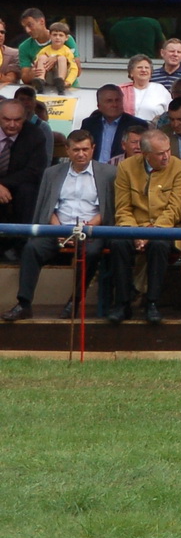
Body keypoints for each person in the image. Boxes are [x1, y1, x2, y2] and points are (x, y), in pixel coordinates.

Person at [3, 130, 116, 321]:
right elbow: (48, 206)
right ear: (67, 150)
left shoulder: (108, 173)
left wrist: (87, 228)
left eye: (85, 149)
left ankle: (74, 302)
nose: (81, 154)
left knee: (92, 252)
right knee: (32, 248)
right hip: (58, 228)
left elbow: (108, 209)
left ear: (93, 149)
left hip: (91, 230)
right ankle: (23, 303)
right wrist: (59, 230)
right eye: (76, 150)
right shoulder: (53, 173)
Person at [110, 128, 181, 324]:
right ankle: (122, 303)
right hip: (133, 226)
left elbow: (175, 209)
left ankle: (152, 302)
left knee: (159, 245)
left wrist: (151, 232)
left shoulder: (180, 168)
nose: (166, 157)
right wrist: (136, 232)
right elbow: (122, 208)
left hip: (165, 227)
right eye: (160, 153)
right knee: (118, 244)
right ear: (145, 154)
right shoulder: (126, 167)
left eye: (168, 150)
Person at [0, 98, 50, 261]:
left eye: (17, 120)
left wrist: (2, 185)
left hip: (19, 187)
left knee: (28, 191)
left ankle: (22, 247)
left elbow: (35, 171)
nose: (12, 125)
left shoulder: (35, 135)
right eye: (7, 119)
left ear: (25, 118)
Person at [119, 55, 171, 122]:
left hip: (154, 130)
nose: (143, 70)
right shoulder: (121, 90)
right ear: (131, 73)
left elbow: (170, 112)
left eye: (146, 68)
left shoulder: (160, 89)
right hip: (129, 130)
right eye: (139, 67)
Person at [32, 21, 80, 93]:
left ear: (66, 38)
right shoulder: (45, 50)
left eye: (61, 35)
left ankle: (60, 82)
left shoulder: (67, 52)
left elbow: (74, 69)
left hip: (63, 78)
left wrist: (68, 81)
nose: (57, 38)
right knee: (42, 57)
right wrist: (35, 69)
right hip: (48, 76)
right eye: (54, 35)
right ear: (50, 36)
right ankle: (40, 80)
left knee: (62, 58)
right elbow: (36, 62)